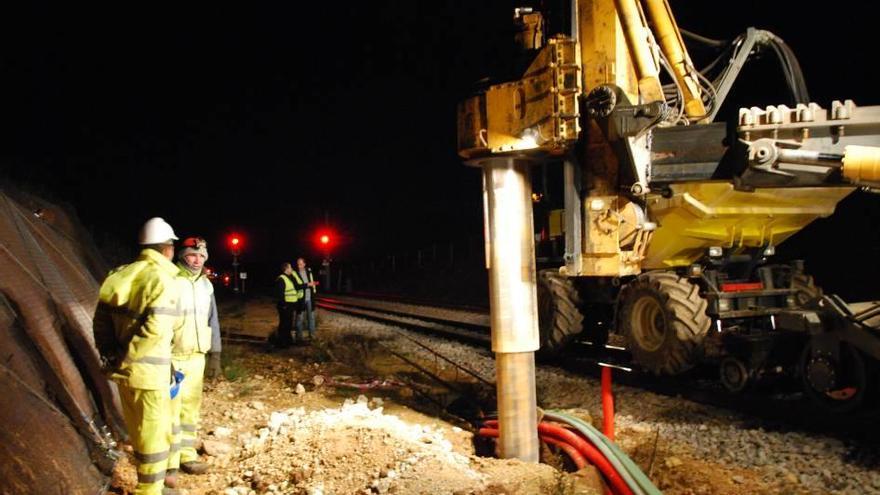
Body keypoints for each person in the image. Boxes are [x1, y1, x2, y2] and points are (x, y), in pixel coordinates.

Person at [92, 217, 181, 495]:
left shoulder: (119, 274)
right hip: (149, 375)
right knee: (154, 434)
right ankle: (149, 490)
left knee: (139, 431)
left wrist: (113, 356)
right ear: (167, 248)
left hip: (123, 374)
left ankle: (149, 484)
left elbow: (100, 322)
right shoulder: (163, 280)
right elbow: (155, 331)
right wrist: (129, 358)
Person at [165, 237, 221, 479]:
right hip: (172, 356)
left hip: (197, 356)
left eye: (201, 256)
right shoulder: (169, 280)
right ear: (181, 256)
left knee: (190, 408)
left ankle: (187, 455)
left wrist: (215, 355)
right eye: (192, 255)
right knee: (169, 409)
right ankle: (168, 460)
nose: (197, 260)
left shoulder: (206, 285)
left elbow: (213, 321)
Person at [292, 257, 319, 342]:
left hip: (310, 298)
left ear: (304, 264)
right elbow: (297, 286)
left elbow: (312, 283)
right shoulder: (295, 273)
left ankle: (312, 335)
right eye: (298, 264)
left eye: (300, 264)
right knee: (300, 318)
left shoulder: (309, 271)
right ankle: (299, 337)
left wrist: (313, 285)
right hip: (301, 299)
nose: (299, 265)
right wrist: (308, 284)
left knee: (311, 317)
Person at [273, 262, 298, 348]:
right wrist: (284, 305)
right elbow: (280, 294)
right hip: (285, 306)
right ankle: (282, 343)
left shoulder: (289, 277)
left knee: (288, 324)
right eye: (290, 268)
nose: (292, 269)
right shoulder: (281, 279)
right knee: (284, 324)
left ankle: (287, 341)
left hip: (289, 305)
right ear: (286, 269)